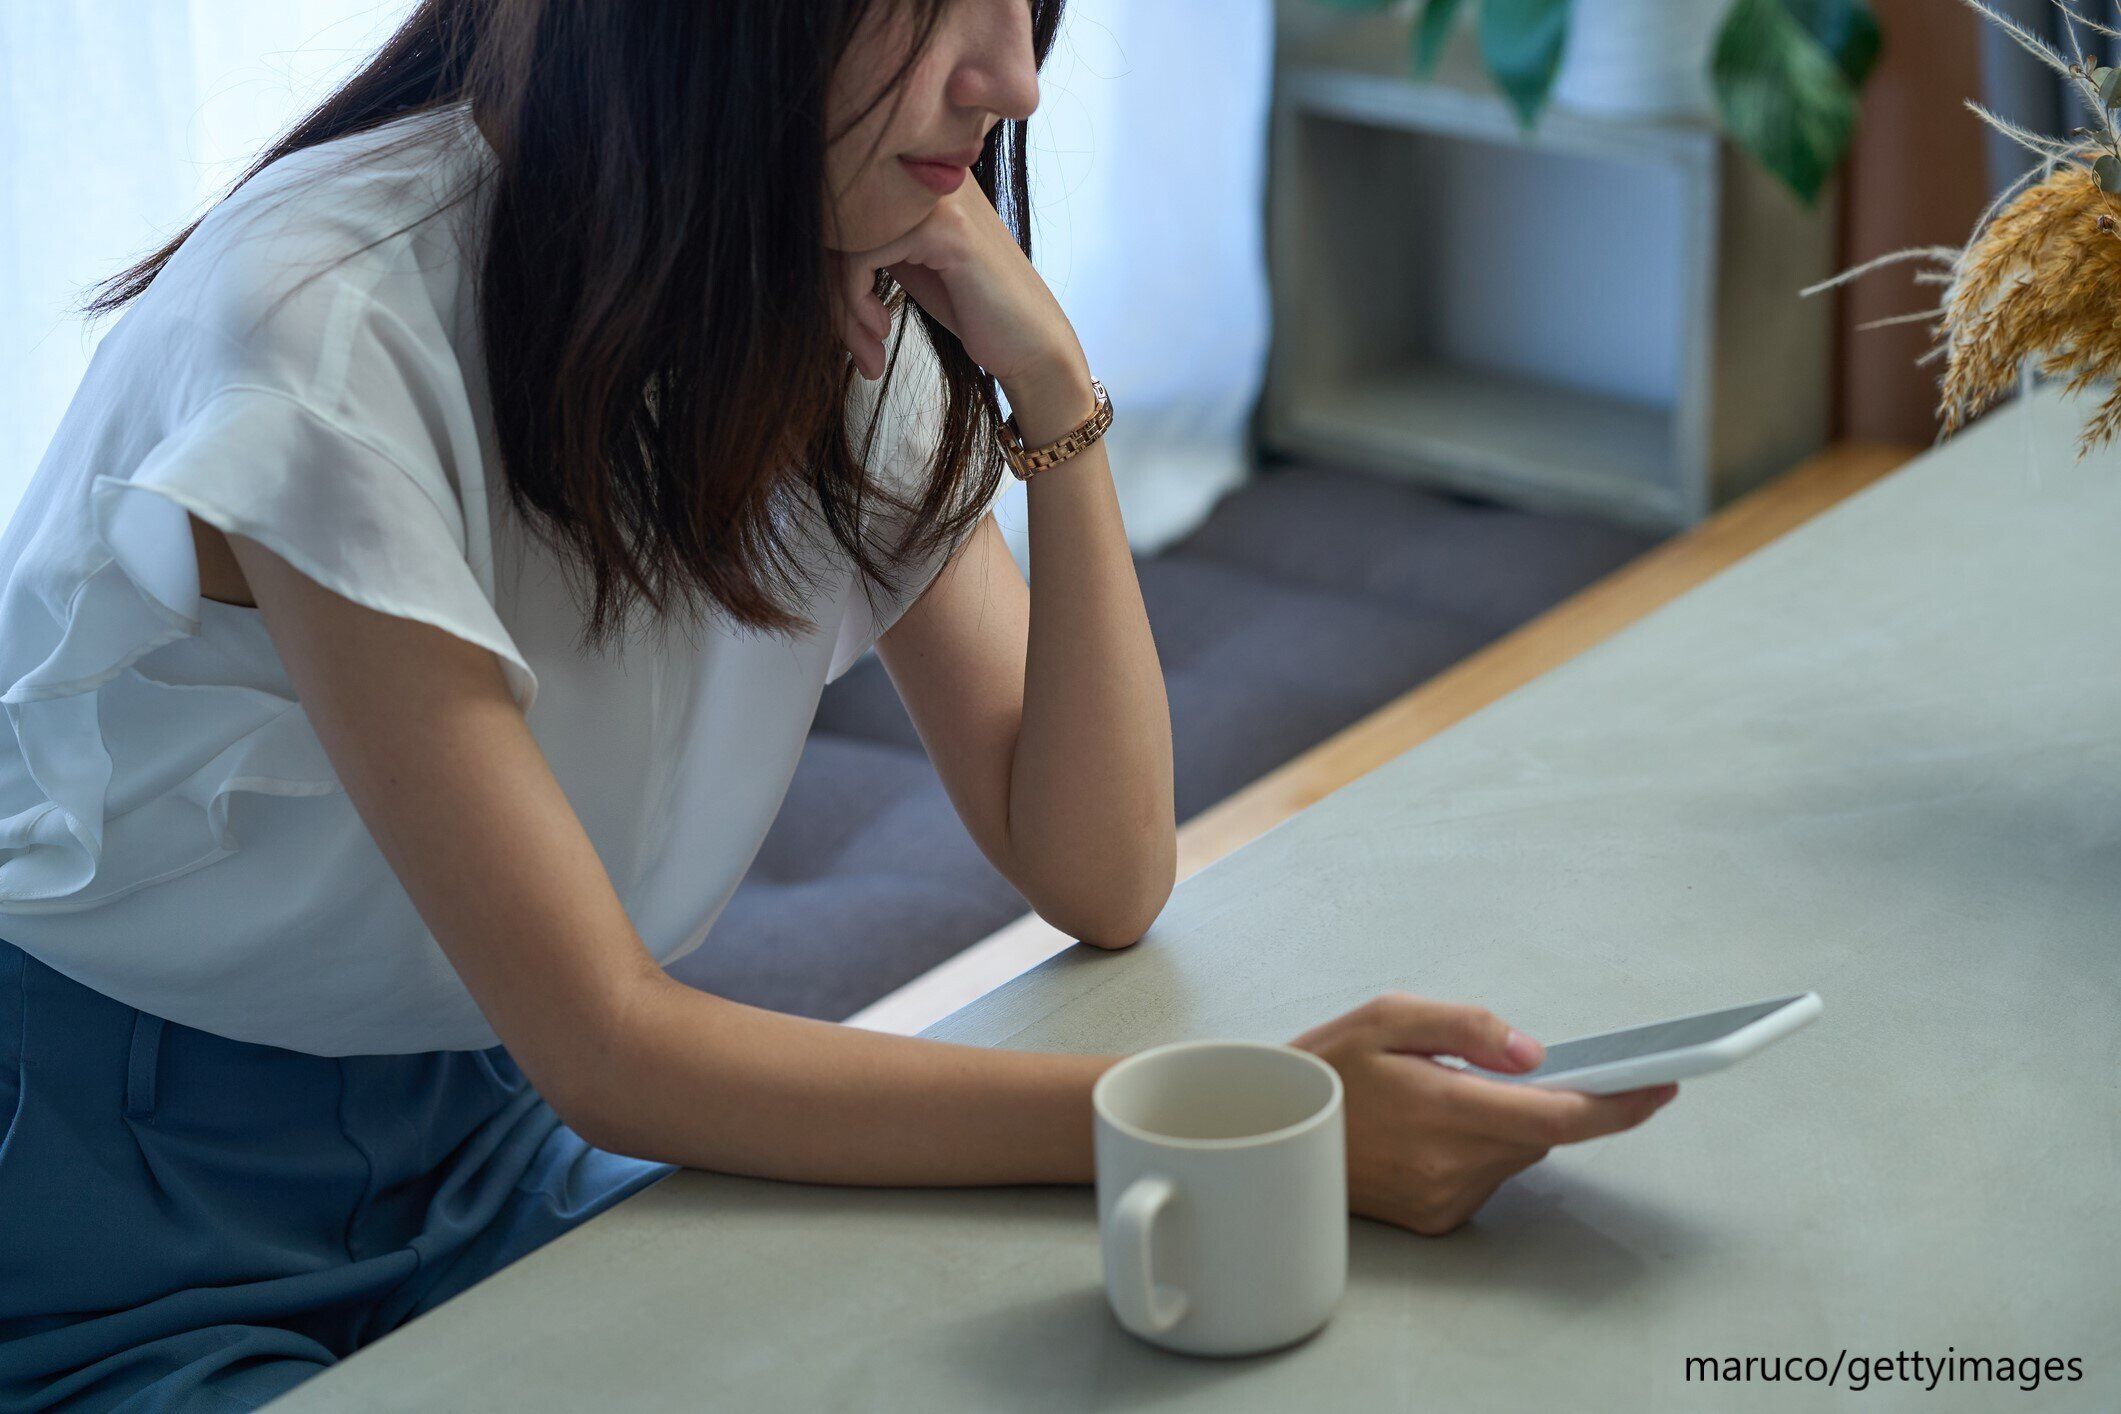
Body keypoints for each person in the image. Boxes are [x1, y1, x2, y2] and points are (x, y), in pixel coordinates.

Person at [0, 1, 1677, 1407]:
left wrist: (1054, 386)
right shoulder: (323, 326)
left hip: (470, 1127)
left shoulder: (796, 290)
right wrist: (1233, 1126)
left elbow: (1098, 864)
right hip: (111, 1202)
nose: (1015, 75)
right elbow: (608, 1043)